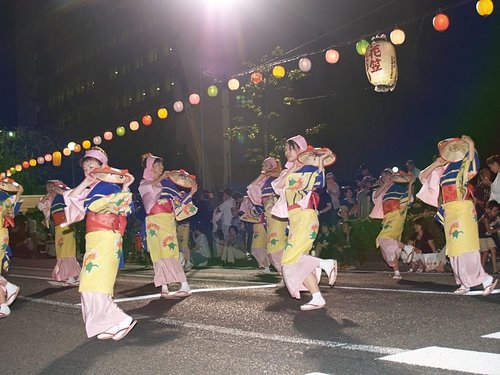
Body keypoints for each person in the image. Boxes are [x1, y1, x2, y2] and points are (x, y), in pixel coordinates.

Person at [62, 147, 137, 340]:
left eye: (92, 166)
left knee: (95, 283)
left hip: (106, 237)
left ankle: (120, 320)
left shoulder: (110, 186)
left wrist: (126, 187)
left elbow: (127, 208)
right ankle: (108, 326)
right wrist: (85, 182)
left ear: (103, 168)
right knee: (90, 284)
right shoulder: (89, 189)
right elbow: (70, 200)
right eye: (86, 168)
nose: (88, 171)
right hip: (94, 238)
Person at [419, 136, 497, 295]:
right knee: (454, 248)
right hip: (449, 210)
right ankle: (464, 282)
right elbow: (422, 176)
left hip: (463, 208)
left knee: (466, 246)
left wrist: (470, 143)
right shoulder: (444, 169)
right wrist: (436, 163)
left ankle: (485, 280)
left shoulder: (464, 164)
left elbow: (474, 165)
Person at [272, 135, 337, 311]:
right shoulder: (290, 170)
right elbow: (279, 187)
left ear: (300, 149)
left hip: (305, 216)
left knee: (290, 259)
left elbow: (321, 184)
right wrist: (293, 168)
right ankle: (317, 297)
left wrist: (320, 161)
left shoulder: (309, 168)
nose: (287, 152)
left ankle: (324, 263)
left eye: (290, 148)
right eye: (285, 149)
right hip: (296, 219)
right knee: (299, 260)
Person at [139, 153, 198, 299]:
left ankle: (184, 285)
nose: (161, 167)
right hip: (152, 222)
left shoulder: (168, 182)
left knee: (169, 251)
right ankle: (164, 287)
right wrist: (161, 178)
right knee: (157, 253)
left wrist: (191, 193)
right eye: (157, 165)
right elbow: (148, 189)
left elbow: (177, 201)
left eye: (161, 165)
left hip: (165, 220)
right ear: (149, 167)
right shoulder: (145, 183)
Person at [371, 170, 416, 279]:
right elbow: (375, 196)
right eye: (383, 175)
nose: (384, 177)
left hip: (396, 215)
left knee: (383, 238)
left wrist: (410, 184)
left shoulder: (398, 189)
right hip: (387, 218)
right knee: (389, 247)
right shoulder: (383, 190)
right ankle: (397, 272)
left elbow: (409, 199)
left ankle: (407, 248)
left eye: (386, 175)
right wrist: (385, 185)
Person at [247, 157, 288, 273]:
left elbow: (280, 176)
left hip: (277, 213)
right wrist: (263, 174)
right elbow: (251, 187)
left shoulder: (281, 175)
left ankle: (286, 270)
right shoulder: (265, 180)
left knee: (276, 243)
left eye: (265, 165)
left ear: (271, 165)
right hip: (268, 214)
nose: (262, 167)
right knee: (271, 244)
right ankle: (273, 267)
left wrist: (267, 173)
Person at [38, 180, 81, 286]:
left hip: (66, 227)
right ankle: (71, 276)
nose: (49, 188)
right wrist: (47, 195)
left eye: (51, 186)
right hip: (58, 228)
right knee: (62, 252)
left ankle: (71, 277)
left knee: (67, 251)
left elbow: (72, 196)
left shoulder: (63, 196)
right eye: (47, 187)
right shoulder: (50, 200)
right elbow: (40, 206)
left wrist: (60, 191)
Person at [0, 180, 23, 318]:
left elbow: (11, 213)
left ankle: (6, 294)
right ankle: (5, 296)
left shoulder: (3, 196)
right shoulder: (5, 197)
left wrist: (18, 191)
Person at [479, 200, 499, 274]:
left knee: (493, 249)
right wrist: (497, 229)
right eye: (495, 211)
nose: (496, 212)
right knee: (485, 252)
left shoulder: (494, 216)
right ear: (488, 210)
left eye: (497, 211)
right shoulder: (485, 218)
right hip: (481, 236)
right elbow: (489, 230)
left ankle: (495, 269)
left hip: (488, 236)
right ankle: (481, 269)